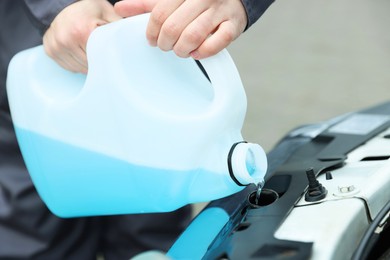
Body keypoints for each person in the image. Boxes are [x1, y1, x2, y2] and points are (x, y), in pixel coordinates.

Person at [0, 0, 274, 258]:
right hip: (41, 53)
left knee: (152, 231)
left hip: (163, 48)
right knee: (37, 236)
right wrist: (58, 6)